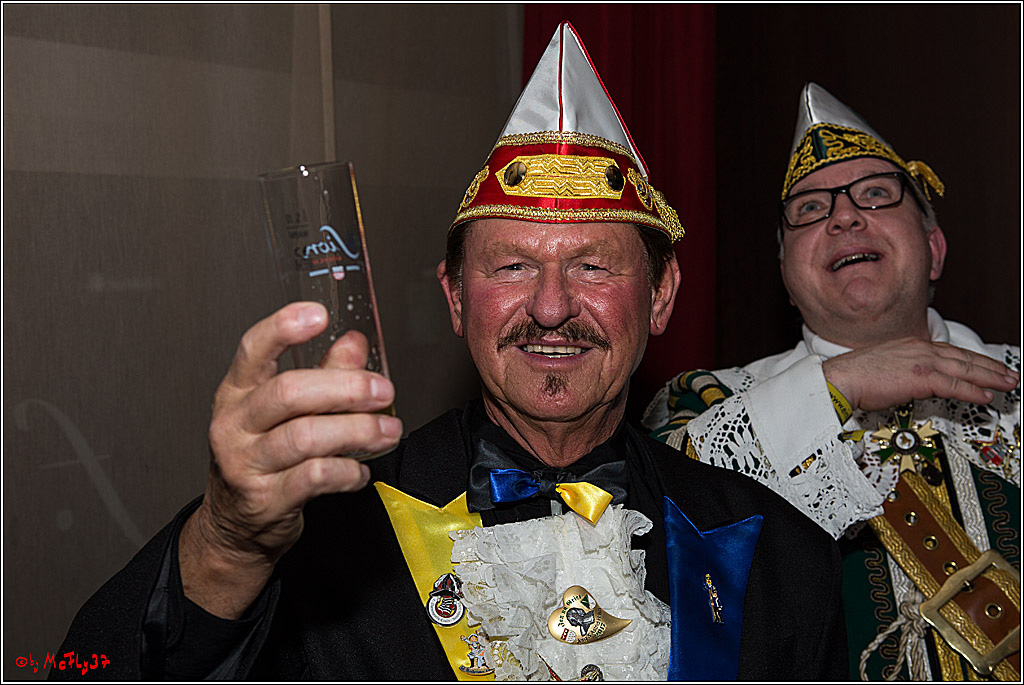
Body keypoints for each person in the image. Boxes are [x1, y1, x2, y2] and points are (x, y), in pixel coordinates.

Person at [53, 25, 846, 681]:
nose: (551, 307)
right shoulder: (325, 541)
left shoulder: (781, 560)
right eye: (512, 266)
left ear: (663, 294)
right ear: (457, 297)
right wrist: (227, 542)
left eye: (593, 266)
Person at [644, 82, 1021, 681]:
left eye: (876, 194)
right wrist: (836, 385)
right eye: (810, 209)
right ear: (787, 278)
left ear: (934, 248)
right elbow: (650, 521)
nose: (844, 216)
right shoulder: (709, 403)